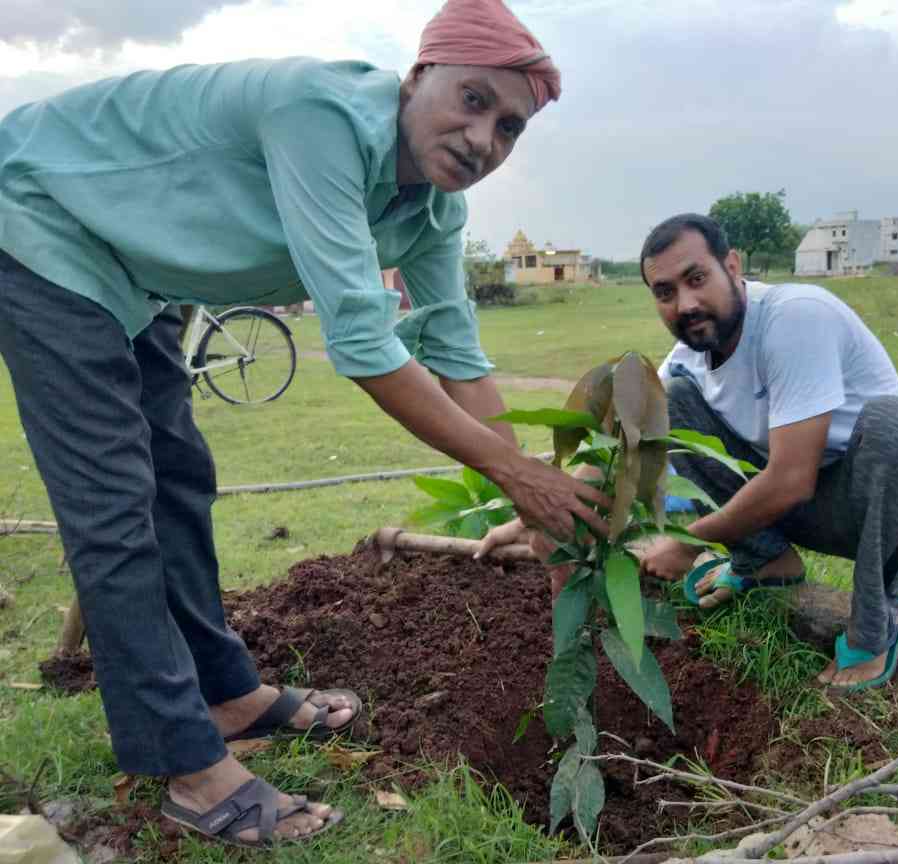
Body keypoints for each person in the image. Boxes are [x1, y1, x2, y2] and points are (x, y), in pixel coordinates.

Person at [0, 0, 608, 848]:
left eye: (510, 128)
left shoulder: (431, 209)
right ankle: (184, 761)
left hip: (133, 272)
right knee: (112, 501)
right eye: (472, 101)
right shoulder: (318, 113)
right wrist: (521, 478)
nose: (484, 139)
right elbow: (364, 348)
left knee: (178, 480)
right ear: (416, 79)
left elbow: (459, 360)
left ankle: (223, 690)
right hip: (42, 216)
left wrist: (534, 503)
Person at [481, 213, 898, 691]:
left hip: (879, 506)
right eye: (665, 292)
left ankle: (875, 627)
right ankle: (766, 561)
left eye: (697, 278)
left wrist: (688, 541)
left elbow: (792, 479)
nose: (686, 304)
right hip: (800, 509)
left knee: (897, 423)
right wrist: (533, 513)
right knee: (673, 403)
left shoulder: (795, 317)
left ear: (732, 264)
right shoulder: (691, 355)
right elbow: (627, 446)